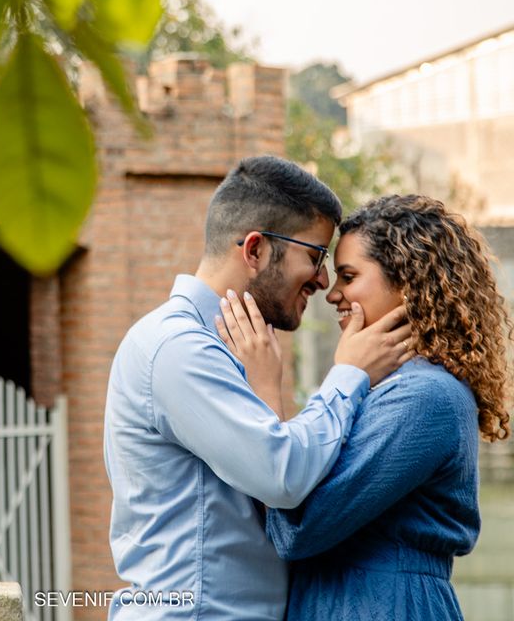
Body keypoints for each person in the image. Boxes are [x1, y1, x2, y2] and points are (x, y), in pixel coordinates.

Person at [103, 156, 412, 620]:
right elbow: (282, 476)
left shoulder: (232, 349)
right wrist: (349, 374)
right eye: (315, 256)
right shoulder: (178, 348)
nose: (323, 281)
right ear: (255, 250)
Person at [219, 194, 514, 620]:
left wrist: (266, 389)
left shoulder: (426, 397)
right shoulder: (382, 386)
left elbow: (299, 528)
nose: (332, 294)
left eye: (349, 276)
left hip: (387, 605)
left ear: (408, 281)